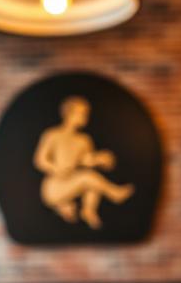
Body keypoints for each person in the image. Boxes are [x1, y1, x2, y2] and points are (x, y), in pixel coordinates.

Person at [33, 96, 133, 230]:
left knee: (91, 180)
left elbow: (87, 160)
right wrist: (56, 169)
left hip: (72, 181)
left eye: (86, 113)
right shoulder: (53, 135)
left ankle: (88, 211)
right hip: (54, 186)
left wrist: (100, 159)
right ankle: (113, 193)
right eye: (81, 113)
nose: (85, 117)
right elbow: (40, 160)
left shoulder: (84, 140)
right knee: (89, 178)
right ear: (69, 113)